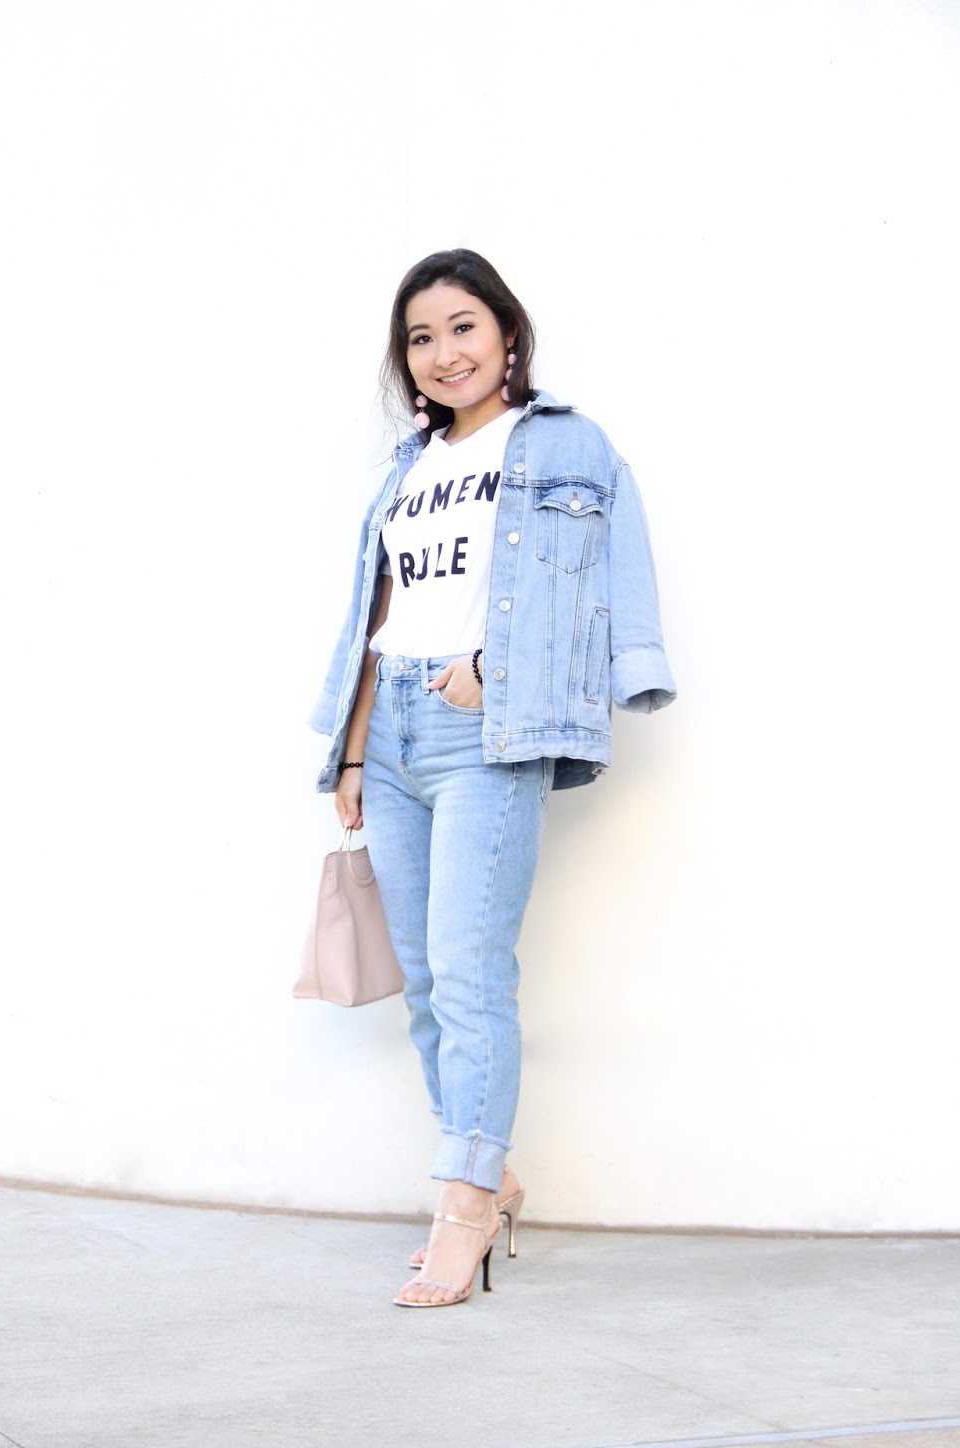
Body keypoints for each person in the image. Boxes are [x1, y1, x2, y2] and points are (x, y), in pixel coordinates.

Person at [309, 249, 675, 1308]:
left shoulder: (563, 443)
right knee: (427, 981)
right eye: (420, 338)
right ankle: (488, 1173)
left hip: (487, 732)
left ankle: (463, 1201)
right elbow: (379, 612)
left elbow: (613, 577)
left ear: (507, 333)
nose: (443, 353)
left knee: (471, 973)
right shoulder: (408, 468)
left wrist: (501, 672)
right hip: (392, 731)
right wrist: (352, 748)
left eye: (462, 327)